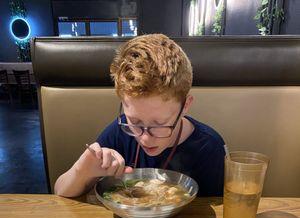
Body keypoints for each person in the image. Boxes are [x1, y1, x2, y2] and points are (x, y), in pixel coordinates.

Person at [54, 34, 225, 198]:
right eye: (135, 122)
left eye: (159, 124)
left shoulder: (209, 147)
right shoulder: (119, 132)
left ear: (185, 106)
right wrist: (82, 172)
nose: (145, 139)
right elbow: (60, 190)